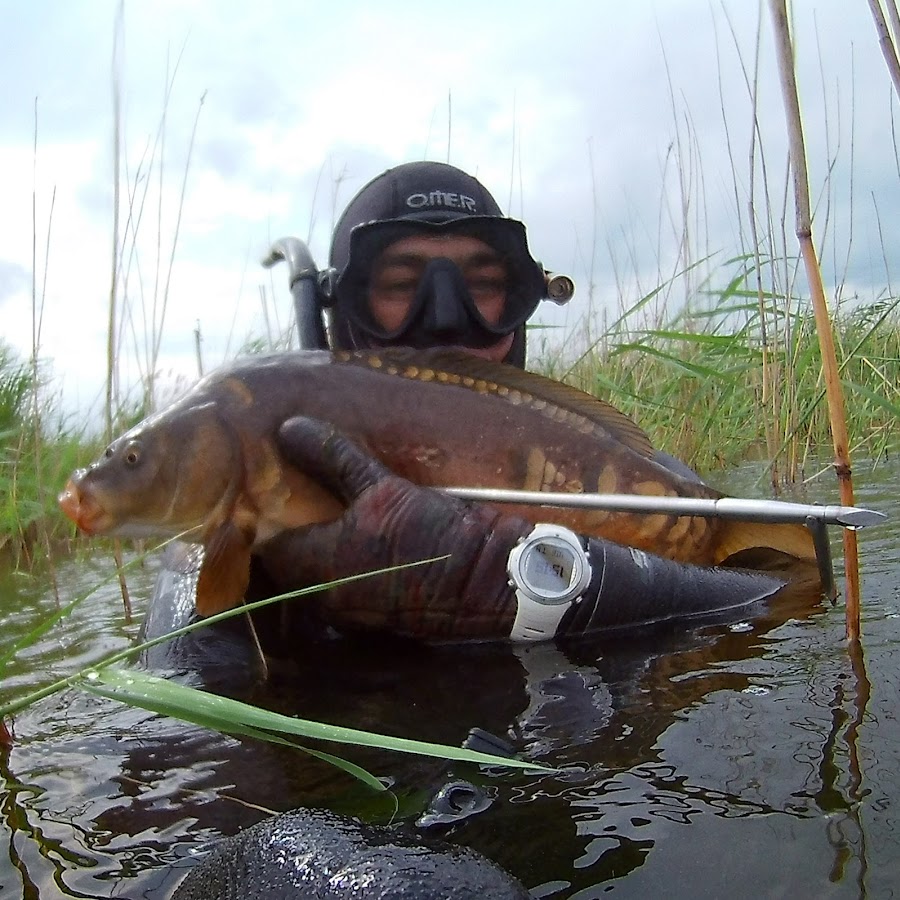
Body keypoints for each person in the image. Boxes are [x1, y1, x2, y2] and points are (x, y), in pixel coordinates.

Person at [251, 161, 807, 646]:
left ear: (521, 304)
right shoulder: (261, 500)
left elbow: (796, 587)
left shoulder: (639, 488)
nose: (446, 320)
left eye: (484, 283)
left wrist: (505, 582)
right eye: (400, 285)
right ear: (338, 311)